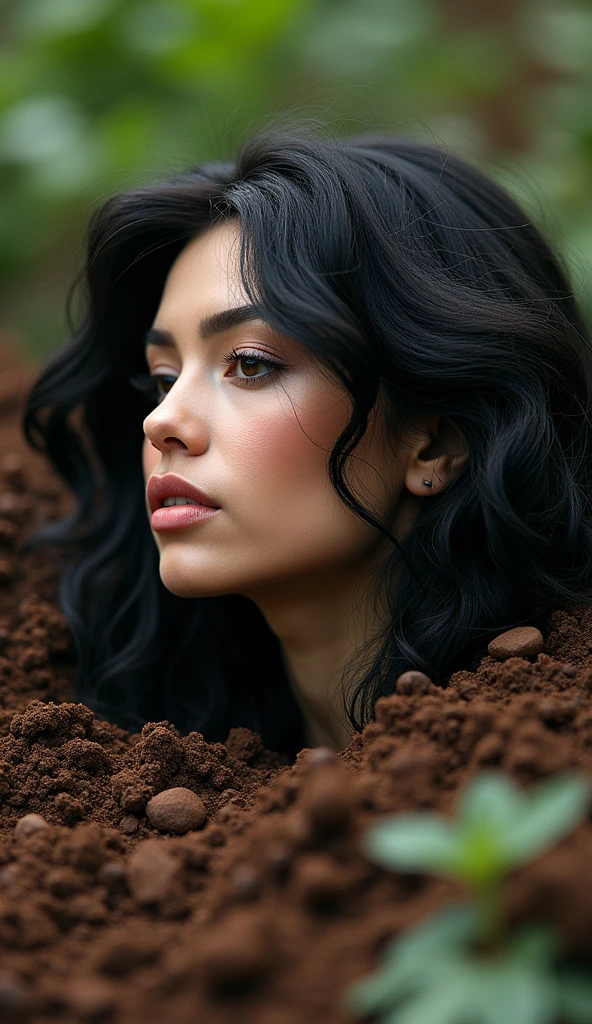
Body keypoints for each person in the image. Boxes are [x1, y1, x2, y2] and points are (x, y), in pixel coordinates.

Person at [21, 124, 592, 755]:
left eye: (250, 362)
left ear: (434, 442)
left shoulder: (546, 756)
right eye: (163, 378)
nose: (163, 421)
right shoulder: (158, 770)